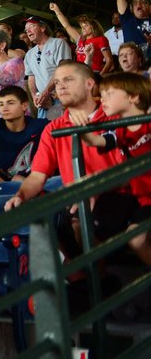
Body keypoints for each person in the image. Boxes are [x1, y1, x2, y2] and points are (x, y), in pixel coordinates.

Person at [6, 61, 119, 212]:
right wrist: (20, 196)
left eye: (68, 80)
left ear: (89, 83)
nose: (60, 86)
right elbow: (37, 176)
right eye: (57, 82)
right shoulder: (53, 128)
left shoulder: (116, 116)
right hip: (77, 204)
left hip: (120, 198)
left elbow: (130, 168)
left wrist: (93, 187)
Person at [67, 72, 151, 265]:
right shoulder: (120, 129)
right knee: (136, 239)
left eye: (109, 93)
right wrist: (83, 127)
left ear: (134, 96)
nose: (102, 98)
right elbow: (97, 140)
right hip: (146, 199)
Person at [23, 16, 73, 120]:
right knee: (46, 133)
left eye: (32, 26)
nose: (28, 31)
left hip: (61, 97)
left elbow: (62, 69)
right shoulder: (29, 54)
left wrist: (46, 92)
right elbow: (31, 77)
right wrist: (35, 96)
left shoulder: (58, 43)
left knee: (63, 131)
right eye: (26, 29)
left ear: (42, 28)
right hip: (43, 102)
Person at [49, 3, 113, 74]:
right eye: (82, 26)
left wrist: (100, 76)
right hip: (79, 73)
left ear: (93, 27)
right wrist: (57, 10)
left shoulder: (101, 39)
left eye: (86, 25)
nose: (83, 28)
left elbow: (109, 61)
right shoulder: (80, 39)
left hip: (94, 72)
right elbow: (66, 25)